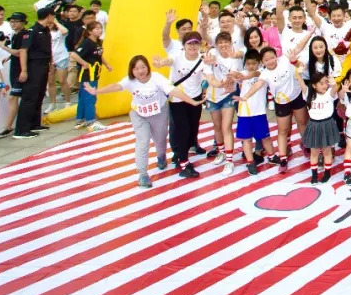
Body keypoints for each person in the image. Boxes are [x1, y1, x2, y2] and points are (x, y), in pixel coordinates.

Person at [83, 54, 203, 188]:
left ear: (148, 67)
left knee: (160, 138)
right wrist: (96, 91)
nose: (140, 71)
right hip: (139, 114)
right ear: (132, 71)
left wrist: (192, 101)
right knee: (143, 141)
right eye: (136, 69)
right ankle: (143, 174)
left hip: (159, 113)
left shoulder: (157, 78)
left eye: (143, 67)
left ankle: (161, 156)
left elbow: (173, 90)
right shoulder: (130, 81)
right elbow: (116, 86)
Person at [151, 31, 206, 178]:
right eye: (190, 43)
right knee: (183, 129)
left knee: (193, 130)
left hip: (195, 98)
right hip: (178, 99)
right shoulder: (177, 56)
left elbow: (209, 76)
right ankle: (183, 162)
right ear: (184, 46)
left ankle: (180, 153)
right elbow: (168, 61)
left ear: (200, 45)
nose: (193, 46)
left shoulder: (203, 59)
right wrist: (160, 63)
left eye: (196, 43)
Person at [258, 45, 308, 173]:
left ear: (277, 57)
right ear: (262, 62)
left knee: (302, 122)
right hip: (281, 102)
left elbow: (298, 47)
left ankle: (306, 145)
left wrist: (310, 32)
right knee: (283, 130)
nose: (270, 61)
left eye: (272, 58)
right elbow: (258, 85)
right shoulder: (264, 73)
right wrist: (246, 96)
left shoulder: (285, 60)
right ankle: (283, 158)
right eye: (266, 60)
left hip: (296, 96)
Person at [202, 32, 243, 173]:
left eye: (226, 42)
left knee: (226, 127)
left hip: (228, 96)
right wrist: (218, 85)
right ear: (216, 44)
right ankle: (221, 152)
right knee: (217, 127)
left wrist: (228, 82)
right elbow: (209, 78)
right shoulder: (211, 55)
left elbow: (233, 76)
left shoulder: (234, 57)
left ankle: (230, 161)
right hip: (213, 96)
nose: (223, 45)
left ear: (231, 43)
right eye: (220, 42)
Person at [14, 8, 54, 139]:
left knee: (39, 95)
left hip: (44, 65)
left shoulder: (46, 30)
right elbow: (23, 50)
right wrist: (24, 70)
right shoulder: (32, 31)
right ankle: (21, 129)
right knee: (29, 97)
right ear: (48, 16)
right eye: (52, 16)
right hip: (33, 66)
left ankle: (34, 123)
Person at [235, 50, 275, 175]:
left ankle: (272, 156)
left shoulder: (263, 72)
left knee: (265, 137)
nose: (250, 66)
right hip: (244, 113)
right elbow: (235, 76)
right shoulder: (242, 73)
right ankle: (250, 162)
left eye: (254, 63)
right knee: (246, 139)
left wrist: (246, 76)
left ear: (259, 63)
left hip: (259, 112)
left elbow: (254, 74)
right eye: (248, 64)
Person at [72, 21, 110, 131]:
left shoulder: (97, 42)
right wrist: (84, 63)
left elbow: (99, 55)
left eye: (100, 28)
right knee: (89, 97)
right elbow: (74, 54)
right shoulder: (87, 43)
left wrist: (107, 64)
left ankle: (80, 120)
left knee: (84, 98)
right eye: (96, 29)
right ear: (89, 31)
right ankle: (91, 122)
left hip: (94, 73)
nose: (100, 30)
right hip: (88, 75)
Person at [304, 72, 340, 184]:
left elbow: (334, 89)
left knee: (327, 151)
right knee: (314, 152)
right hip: (314, 124)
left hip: (327, 123)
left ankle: (327, 173)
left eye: (326, 82)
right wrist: (299, 74)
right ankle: (314, 175)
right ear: (314, 85)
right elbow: (301, 84)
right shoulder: (308, 94)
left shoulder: (329, 93)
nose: (325, 85)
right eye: (321, 83)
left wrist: (334, 84)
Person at [0, 12, 30, 137]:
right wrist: (9, 57)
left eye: (16, 21)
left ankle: (9, 126)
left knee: (13, 97)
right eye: (11, 21)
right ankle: (12, 125)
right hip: (15, 68)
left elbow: (20, 52)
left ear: (23, 23)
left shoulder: (24, 35)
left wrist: (3, 47)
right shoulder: (15, 35)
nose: (13, 24)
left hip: (20, 69)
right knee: (16, 97)